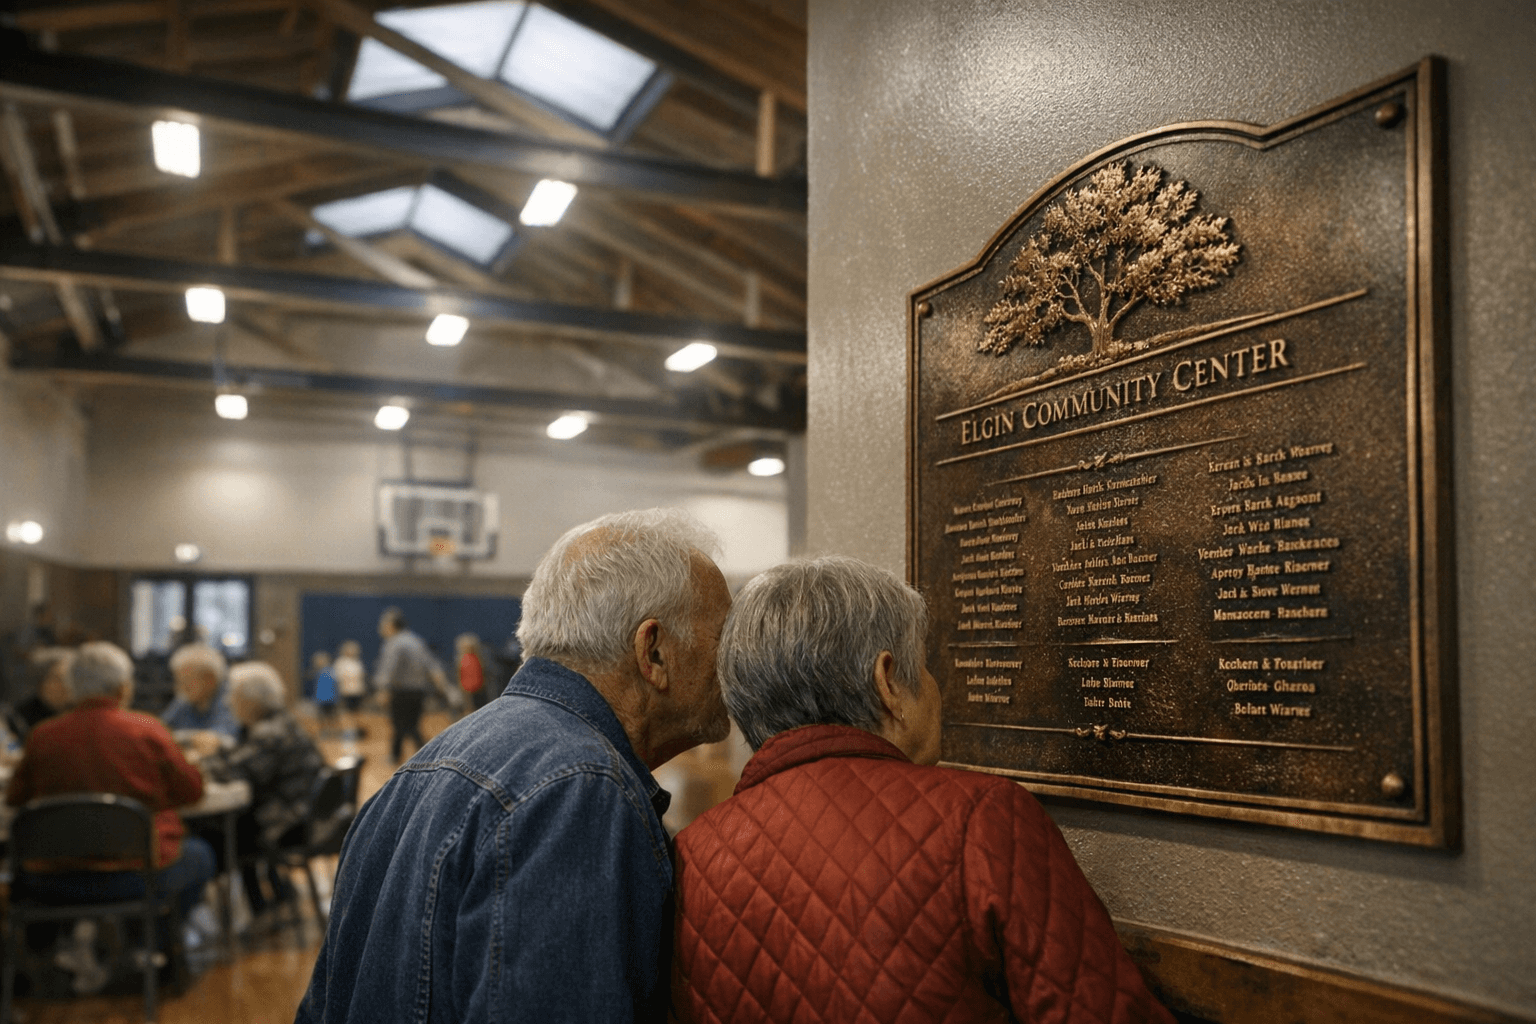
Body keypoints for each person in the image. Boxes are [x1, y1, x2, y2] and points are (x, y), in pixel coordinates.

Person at [671, 557, 1174, 1024]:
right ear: (888, 681)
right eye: (925, 663)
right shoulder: (981, 818)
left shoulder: (692, 853)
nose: (933, 685)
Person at [296, 508, 733, 1023]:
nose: (733, 659)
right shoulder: (579, 794)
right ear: (653, 652)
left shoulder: (416, 772)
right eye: (723, 635)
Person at [5, 642, 215, 987]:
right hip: (135, 876)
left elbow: (16, 797)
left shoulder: (43, 737)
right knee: (201, 855)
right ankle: (152, 946)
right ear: (123, 687)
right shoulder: (146, 730)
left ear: (73, 688)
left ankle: (69, 946)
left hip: (51, 880)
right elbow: (192, 792)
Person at [196, 662, 325, 923]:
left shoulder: (270, 732)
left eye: (233, 695)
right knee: (237, 826)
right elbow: (244, 761)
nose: (228, 702)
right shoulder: (281, 722)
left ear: (250, 700)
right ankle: (274, 896)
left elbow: (236, 772)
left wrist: (204, 758)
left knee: (220, 834)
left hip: (289, 823)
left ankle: (257, 908)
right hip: (303, 814)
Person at [373, 608, 446, 763]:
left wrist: (383, 689)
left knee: (401, 725)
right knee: (411, 724)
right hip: (418, 691)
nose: (380, 627)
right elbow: (432, 665)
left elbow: (389, 668)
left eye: (383, 624)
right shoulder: (416, 641)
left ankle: (403, 756)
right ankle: (416, 754)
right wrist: (440, 683)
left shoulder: (394, 643)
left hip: (401, 691)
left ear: (392, 625)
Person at [161, 642, 240, 741]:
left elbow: (220, 740)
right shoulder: (184, 700)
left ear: (210, 680)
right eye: (178, 681)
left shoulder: (231, 699)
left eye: (186, 681)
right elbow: (161, 730)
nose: (179, 687)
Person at [6, 646, 75, 740]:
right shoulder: (19, 719)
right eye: (60, 679)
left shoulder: (77, 712)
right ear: (42, 682)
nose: (67, 685)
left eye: (70, 678)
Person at [331, 640, 367, 739]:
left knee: (356, 712)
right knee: (346, 713)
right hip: (345, 692)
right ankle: (347, 731)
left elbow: (361, 676)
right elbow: (336, 677)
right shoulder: (340, 662)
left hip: (357, 691)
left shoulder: (357, 662)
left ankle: (356, 731)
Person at [455, 632, 488, 712]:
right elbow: (460, 676)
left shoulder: (478, 659)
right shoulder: (462, 660)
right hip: (468, 691)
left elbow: (482, 674)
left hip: (479, 690)